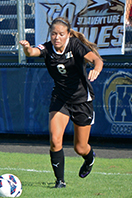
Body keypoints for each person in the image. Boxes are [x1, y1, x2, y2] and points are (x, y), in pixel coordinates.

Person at [19, 17, 103, 188]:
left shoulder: (75, 45)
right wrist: (27, 48)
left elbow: (97, 60)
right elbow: (33, 52)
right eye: (53, 34)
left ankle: (89, 158)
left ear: (69, 35)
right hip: (60, 98)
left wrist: (96, 69)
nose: (57, 37)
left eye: (61, 34)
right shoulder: (48, 48)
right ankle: (60, 181)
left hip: (81, 100)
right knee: (55, 140)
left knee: (80, 148)